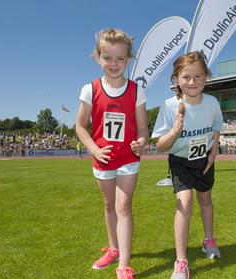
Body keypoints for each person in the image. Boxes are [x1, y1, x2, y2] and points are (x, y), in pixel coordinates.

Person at [75, 28, 149, 279]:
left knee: (123, 206)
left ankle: (124, 265)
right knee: (109, 206)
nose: (114, 63)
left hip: (128, 158)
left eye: (120, 58)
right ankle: (114, 249)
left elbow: (142, 128)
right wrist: (95, 148)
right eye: (108, 58)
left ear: (128, 60)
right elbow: (80, 126)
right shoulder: (90, 89)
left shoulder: (136, 90)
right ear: (98, 57)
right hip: (103, 158)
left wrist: (141, 141)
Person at [151, 51, 223, 279]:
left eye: (198, 77)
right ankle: (181, 261)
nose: (192, 82)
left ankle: (208, 240)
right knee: (184, 202)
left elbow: (216, 129)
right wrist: (174, 130)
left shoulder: (212, 103)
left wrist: (213, 153)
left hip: (204, 161)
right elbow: (161, 145)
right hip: (181, 162)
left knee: (205, 200)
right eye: (186, 77)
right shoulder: (170, 106)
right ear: (176, 79)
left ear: (206, 77)